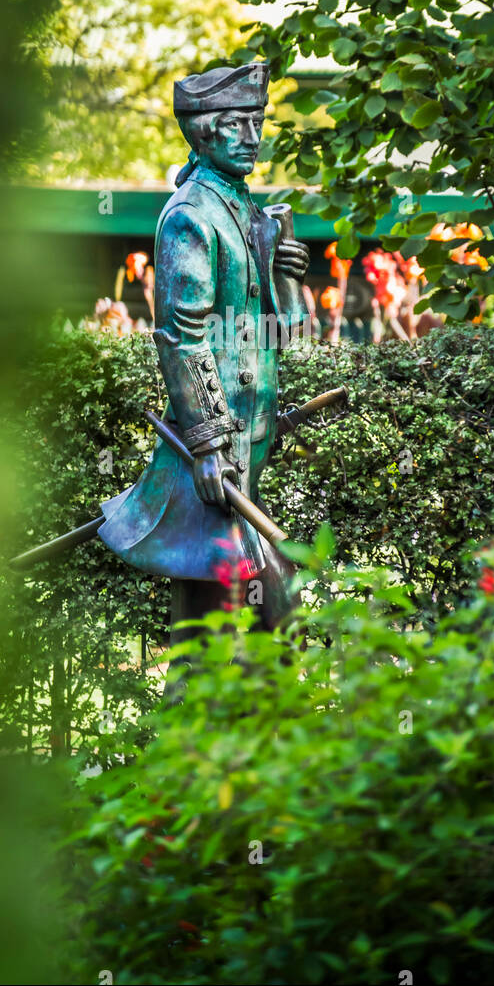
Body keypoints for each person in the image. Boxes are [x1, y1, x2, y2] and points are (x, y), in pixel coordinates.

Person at [97, 62, 310, 681]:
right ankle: (245, 737)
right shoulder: (191, 214)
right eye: (236, 123)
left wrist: (281, 271)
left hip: (245, 446)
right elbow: (180, 338)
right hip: (213, 452)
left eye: (257, 121)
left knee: (220, 608)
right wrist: (209, 443)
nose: (253, 135)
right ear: (204, 134)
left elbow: (285, 333)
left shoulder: (247, 213)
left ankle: (216, 740)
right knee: (266, 599)